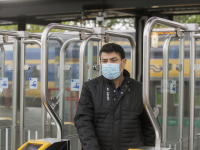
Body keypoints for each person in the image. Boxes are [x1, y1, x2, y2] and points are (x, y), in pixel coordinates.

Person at [74, 43, 155, 150]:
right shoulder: (91, 87)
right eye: (104, 61)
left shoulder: (139, 89)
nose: (108, 64)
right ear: (100, 63)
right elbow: (83, 121)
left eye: (113, 60)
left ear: (123, 62)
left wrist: (150, 147)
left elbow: (149, 124)